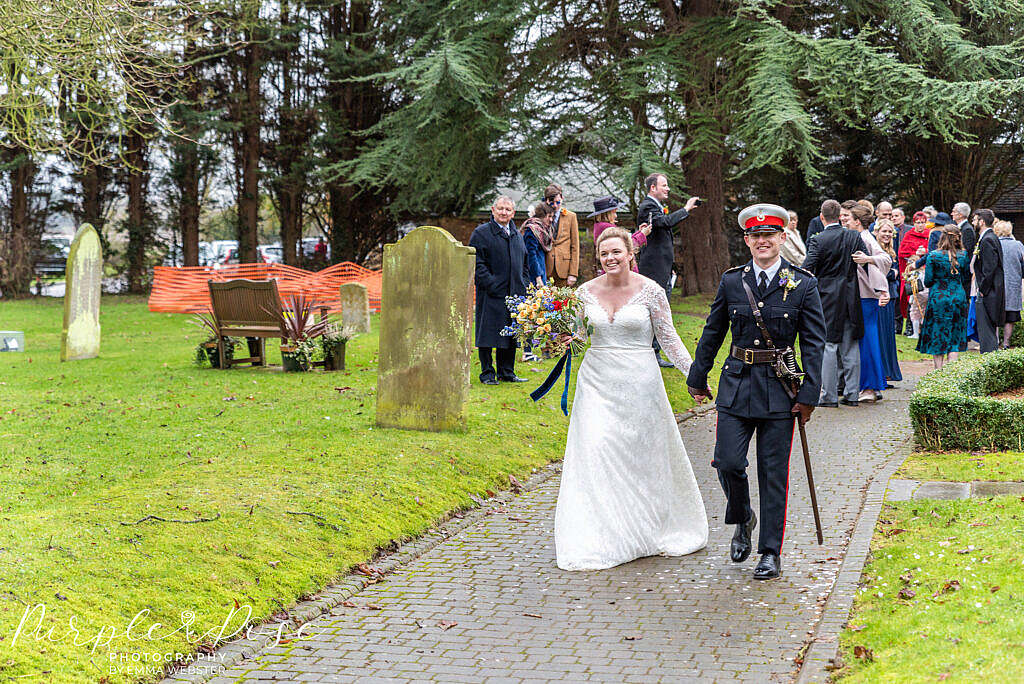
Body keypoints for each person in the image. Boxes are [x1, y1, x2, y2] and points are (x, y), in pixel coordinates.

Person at [554, 227, 708, 571]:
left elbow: (669, 339)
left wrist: (694, 378)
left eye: (616, 252)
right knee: (597, 449)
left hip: (641, 383)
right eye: (604, 254)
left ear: (630, 254)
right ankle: (605, 532)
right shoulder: (583, 292)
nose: (610, 258)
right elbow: (578, 337)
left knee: (640, 456)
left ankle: (646, 527)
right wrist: (555, 336)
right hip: (596, 381)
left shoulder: (651, 291)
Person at [687, 203, 825, 581]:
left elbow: (814, 342)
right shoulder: (733, 281)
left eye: (769, 235)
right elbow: (713, 331)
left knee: (773, 473)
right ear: (747, 240)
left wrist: (809, 393)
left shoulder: (804, 283)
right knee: (728, 462)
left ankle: (769, 552)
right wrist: (698, 376)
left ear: (782, 238)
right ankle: (743, 516)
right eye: (755, 236)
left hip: (781, 389)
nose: (762, 241)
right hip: (736, 383)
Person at [803, 200, 868, 407]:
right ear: (840, 216)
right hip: (850, 294)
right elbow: (864, 261)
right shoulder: (854, 236)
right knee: (850, 346)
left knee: (829, 346)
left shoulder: (818, 240)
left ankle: (829, 395)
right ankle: (852, 394)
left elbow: (807, 268)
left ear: (822, 217)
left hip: (826, 297)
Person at [636, 173, 701, 368]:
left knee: (659, 309)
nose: (668, 189)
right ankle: (651, 353)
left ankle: (653, 352)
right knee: (654, 309)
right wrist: (686, 209)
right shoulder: (648, 206)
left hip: (662, 267)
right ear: (652, 188)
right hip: (653, 267)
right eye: (664, 185)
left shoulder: (655, 206)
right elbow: (663, 223)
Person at [469, 196, 530, 385]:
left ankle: (507, 372)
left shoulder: (517, 235)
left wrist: (524, 283)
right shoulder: (481, 233)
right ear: (493, 210)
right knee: (487, 334)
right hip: (491, 293)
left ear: (513, 213)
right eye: (501, 209)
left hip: (515, 293)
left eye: (508, 210)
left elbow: (525, 264)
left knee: (511, 334)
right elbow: (476, 263)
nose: (504, 212)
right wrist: (491, 283)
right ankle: (487, 373)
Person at [845, 203, 892, 402]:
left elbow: (885, 259)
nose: (845, 221)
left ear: (857, 221)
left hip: (865, 297)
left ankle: (870, 388)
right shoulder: (862, 237)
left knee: (868, 341)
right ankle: (873, 385)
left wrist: (868, 259)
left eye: (848, 218)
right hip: (865, 295)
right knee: (868, 340)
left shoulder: (863, 238)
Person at [916, 226, 970, 368]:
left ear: (942, 237)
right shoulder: (964, 255)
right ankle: (950, 371)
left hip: (939, 298)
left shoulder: (933, 255)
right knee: (955, 333)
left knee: (938, 332)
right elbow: (965, 278)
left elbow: (927, 281)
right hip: (958, 297)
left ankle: (938, 371)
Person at [520, 202, 554, 362]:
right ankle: (527, 351)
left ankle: (531, 349)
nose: (551, 220)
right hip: (533, 277)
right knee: (530, 313)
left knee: (538, 313)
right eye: (550, 216)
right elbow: (531, 255)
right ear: (543, 216)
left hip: (540, 273)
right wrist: (538, 277)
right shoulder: (531, 230)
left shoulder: (539, 230)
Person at [873, 220, 904, 384]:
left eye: (890, 232)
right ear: (876, 232)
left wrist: (893, 273)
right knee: (879, 334)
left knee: (887, 335)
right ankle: (880, 372)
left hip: (890, 296)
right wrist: (892, 273)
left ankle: (888, 371)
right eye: (884, 231)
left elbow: (896, 273)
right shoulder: (873, 249)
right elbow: (884, 274)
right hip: (878, 296)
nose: (887, 235)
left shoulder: (892, 251)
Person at [590, 195, 651, 272]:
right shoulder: (606, 227)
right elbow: (627, 245)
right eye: (614, 212)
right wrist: (642, 234)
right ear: (607, 214)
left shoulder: (602, 226)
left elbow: (625, 240)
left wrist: (639, 232)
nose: (616, 216)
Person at [973, 208, 1005, 353]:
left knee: (987, 332)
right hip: (989, 290)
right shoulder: (989, 238)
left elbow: (989, 268)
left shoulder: (988, 240)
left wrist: (983, 290)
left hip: (989, 291)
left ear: (982, 221)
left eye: (974, 219)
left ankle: (989, 359)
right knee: (986, 331)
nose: (972, 222)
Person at [898, 212, 931, 337]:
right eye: (918, 222)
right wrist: (914, 255)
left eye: (922, 222)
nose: (920, 225)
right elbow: (902, 252)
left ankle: (924, 329)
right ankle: (910, 328)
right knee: (912, 300)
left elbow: (934, 250)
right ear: (914, 223)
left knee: (925, 300)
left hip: (926, 271)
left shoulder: (930, 235)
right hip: (914, 271)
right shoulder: (909, 235)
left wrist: (925, 252)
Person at [542, 184, 580, 288]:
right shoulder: (541, 217)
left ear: (562, 198)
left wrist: (573, 273)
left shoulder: (571, 216)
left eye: (558, 202)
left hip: (564, 269)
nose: (555, 205)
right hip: (545, 268)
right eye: (551, 202)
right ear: (546, 201)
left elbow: (575, 246)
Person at [995, 220, 1024, 348]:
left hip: (997, 285)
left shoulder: (993, 244)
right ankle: (1006, 343)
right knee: (1010, 317)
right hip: (1013, 283)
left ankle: (995, 342)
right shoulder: (1018, 245)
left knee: (994, 315)